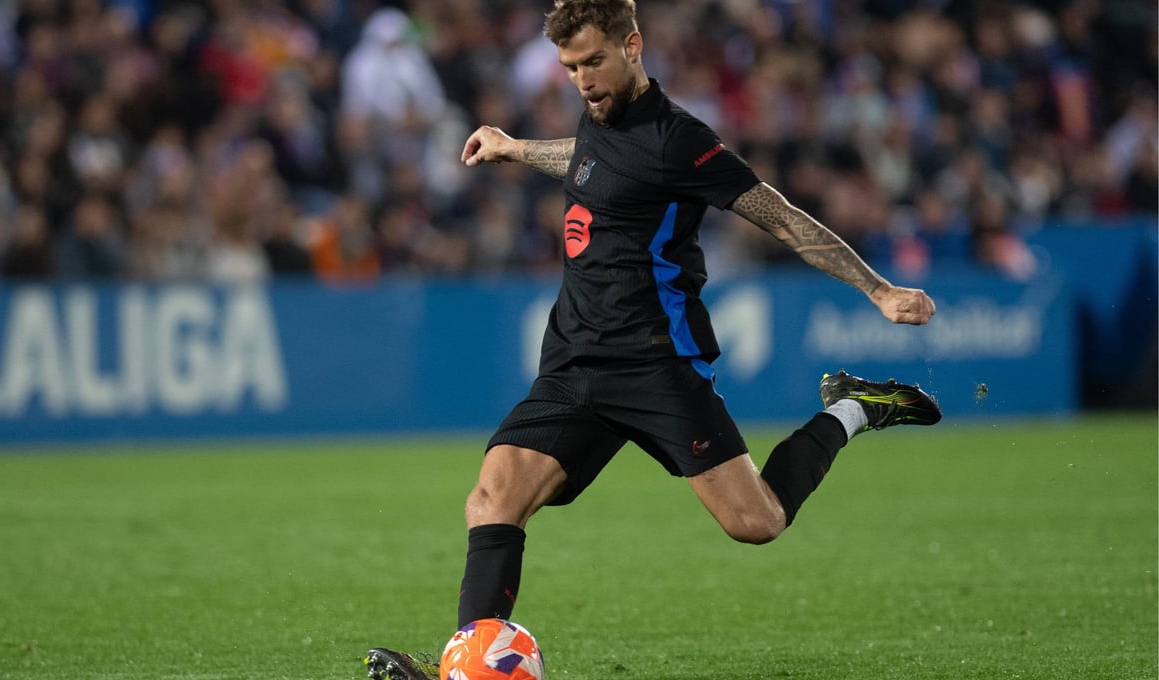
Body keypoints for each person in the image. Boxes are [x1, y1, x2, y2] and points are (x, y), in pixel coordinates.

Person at [364, 2, 941, 678]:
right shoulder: (599, 115)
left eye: (593, 61)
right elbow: (588, 161)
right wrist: (516, 148)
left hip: (656, 364)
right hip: (574, 359)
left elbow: (779, 216)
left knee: (756, 522)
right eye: (570, 67)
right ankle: (468, 664)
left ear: (632, 46)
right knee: (494, 499)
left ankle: (854, 407)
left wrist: (877, 289)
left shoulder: (680, 141)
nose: (582, 79)